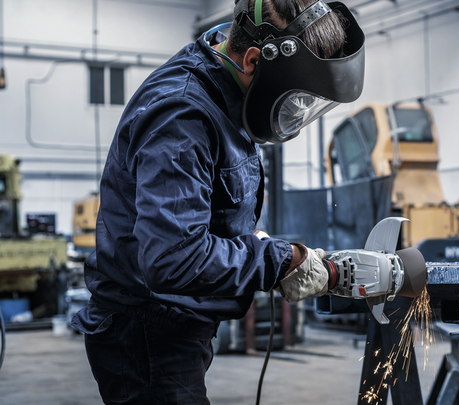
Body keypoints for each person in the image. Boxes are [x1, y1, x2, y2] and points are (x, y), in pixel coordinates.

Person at [70, 0, 365, 403]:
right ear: (253, 60)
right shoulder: (182, 117)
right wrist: (279, 261)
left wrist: (246, 241)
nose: (297, 112)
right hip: (146, 333)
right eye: (297, 99)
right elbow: (174, 258)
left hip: (173, 324)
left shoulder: (226, 91)